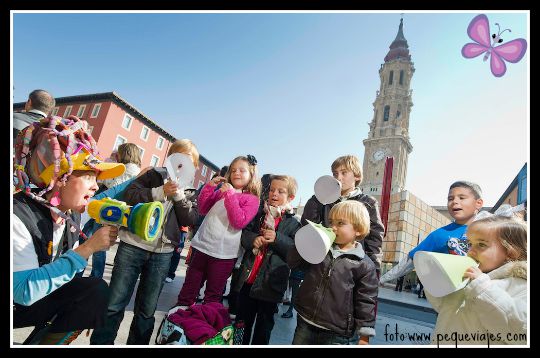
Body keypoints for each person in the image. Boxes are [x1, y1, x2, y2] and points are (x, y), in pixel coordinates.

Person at [13, 115, 125, 344]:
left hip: (30, 299)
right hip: (18, 299)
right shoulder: (18, 216)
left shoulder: (70, 214)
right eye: (88, 176)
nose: (95, 186)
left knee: (93, 294)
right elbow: (23, 293)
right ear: (60, 179)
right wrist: (87, 249)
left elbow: (105, 196)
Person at [90, 139, 200, 345]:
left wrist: (178, 197)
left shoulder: (191, 192)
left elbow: (191, 220)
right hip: (132, 245)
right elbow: (130, 195)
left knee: (147, 310)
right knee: (114, 302)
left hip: (163, 253)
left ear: (194, 166)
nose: (182, 166)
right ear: (170, 158)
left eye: (189, 162)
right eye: (179, 159)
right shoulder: (153, 175)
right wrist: (159, 192)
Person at [172, 155, 260, 311]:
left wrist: (231, 195)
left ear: (252, 174)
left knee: (213, 296)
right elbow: (203, 208)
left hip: (224, 255)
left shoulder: (252, 199)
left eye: (242, 170)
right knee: (188, 290)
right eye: (233, 170)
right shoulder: (222, 191)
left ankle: (205, 327)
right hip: (202, 247)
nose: (236, 173)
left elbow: (238, 222)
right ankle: (178, 322)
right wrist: (210, 187)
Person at [428, 210, 527, 345]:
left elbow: (521, 331)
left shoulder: (521, 285)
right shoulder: (469, 277)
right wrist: (436, 282)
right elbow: (442, 306)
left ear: (510, 253)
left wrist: (483, 289)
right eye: (470, 244)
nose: (471, 251)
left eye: (481, 244)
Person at [288, 200, 378, 345]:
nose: (333, 228)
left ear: (358, 229)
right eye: (331, 222)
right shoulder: (321, 248)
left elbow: (366, 300)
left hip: (337, 332)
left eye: (340, 223)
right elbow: (294, 263)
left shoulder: (364, 265)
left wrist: (364, 334)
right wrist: (303, 244)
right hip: (305, 321)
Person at [233, 175, 301, 344]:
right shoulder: (259, 214)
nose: (274, 194)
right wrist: (252, 239)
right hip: (248, 280)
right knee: (241, 324)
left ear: (290, 197)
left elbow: (295, 251)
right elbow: (245, 233)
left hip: (270, 286)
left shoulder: (294, 223)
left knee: (264, 328)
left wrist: (278, 238)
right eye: (271, 190)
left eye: (280, 191)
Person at [380, 181, 484, 283]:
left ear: (478, 203)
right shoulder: (439, 235)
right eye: (450, 198)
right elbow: (411, 260)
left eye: (462, 198)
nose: (455, 201)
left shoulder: (491, 230)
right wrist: (383, 279)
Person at [301, 155, 384, 275]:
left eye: (344, 173)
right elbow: (308, 224)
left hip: (352, 265)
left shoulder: (368, 203)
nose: (338, 178)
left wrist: (373, 271)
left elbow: (374, 239)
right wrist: (317, 198)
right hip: (324, 263)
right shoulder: (324, 199)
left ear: (357, 176)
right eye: (335, 174)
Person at [85, 143, 143, 279]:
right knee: (90, 239)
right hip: (105, 206)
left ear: (126, 153)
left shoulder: (130, 169)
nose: (117, 155)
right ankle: (90, 274)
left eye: (119, 153)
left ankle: (96, 276)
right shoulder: (129, 168)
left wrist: (109, 170)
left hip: (108, 207)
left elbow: (115, 186)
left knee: (98, 244)